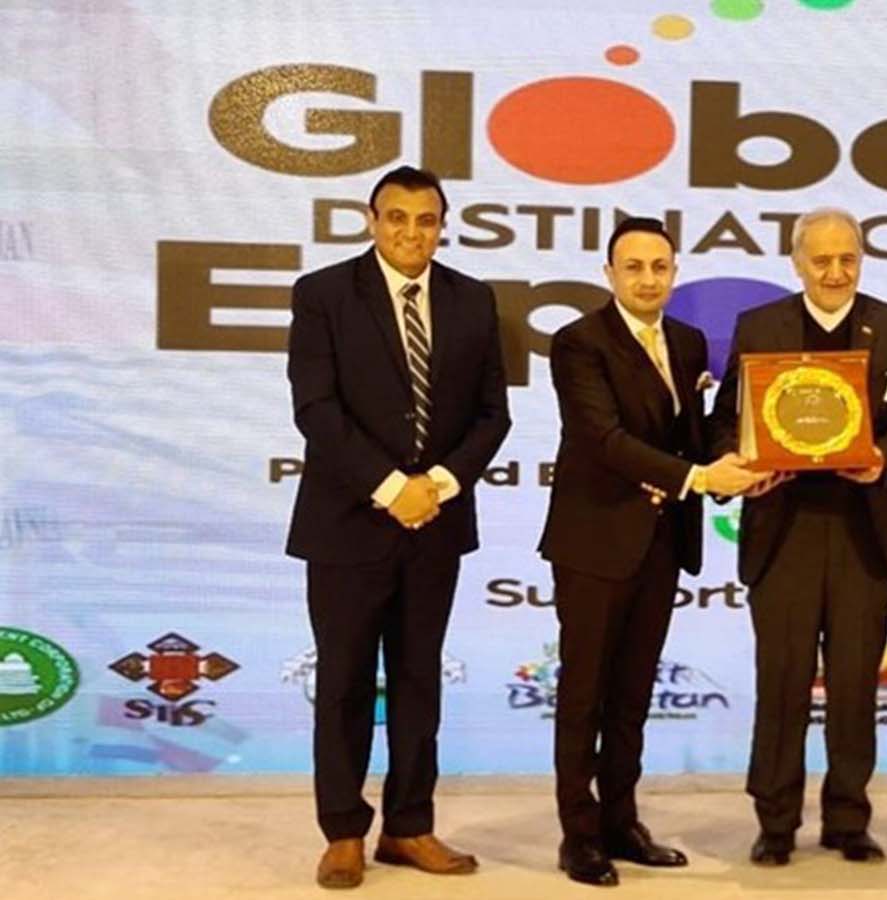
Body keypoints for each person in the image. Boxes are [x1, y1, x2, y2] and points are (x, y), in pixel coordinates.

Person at [286, 165, 511, 888]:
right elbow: (316, 409)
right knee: (344, 684)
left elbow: (493, 415)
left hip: (435, 526)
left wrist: (434, 487)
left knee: (419, 682)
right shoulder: (323, 294)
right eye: (397, 217)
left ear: (442, 226)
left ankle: (409, 827)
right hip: (347, 524)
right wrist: (391, 489)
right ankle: (343, 832)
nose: (412, 232)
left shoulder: (473, 300)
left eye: (426, 219)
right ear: (373, 220)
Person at [538, 217, 765, 887]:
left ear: (674, 272)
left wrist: (738, 460)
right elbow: (603, 439)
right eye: (633, 267)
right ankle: (579, 836)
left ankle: (622, 822)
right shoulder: (578, 342)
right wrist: (700, 477)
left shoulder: (688, 342)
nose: (647, 279)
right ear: (609, 274)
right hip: (594, 540)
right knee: (584, 694)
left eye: (659, 267)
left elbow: (696, 432)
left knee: (633, 693)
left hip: (662, 543)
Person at [709, 207, 887, 866]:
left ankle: (848, 818)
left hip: (865, 532)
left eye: (848, 259)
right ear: (797, 263)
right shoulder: (759, 327)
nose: (836, 272)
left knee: (855, 685)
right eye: (822, 260)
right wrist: (742, 463)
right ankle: (775, 821)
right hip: (783, 532)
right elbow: (726, 421)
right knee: (781, 683)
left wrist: (885, 458)